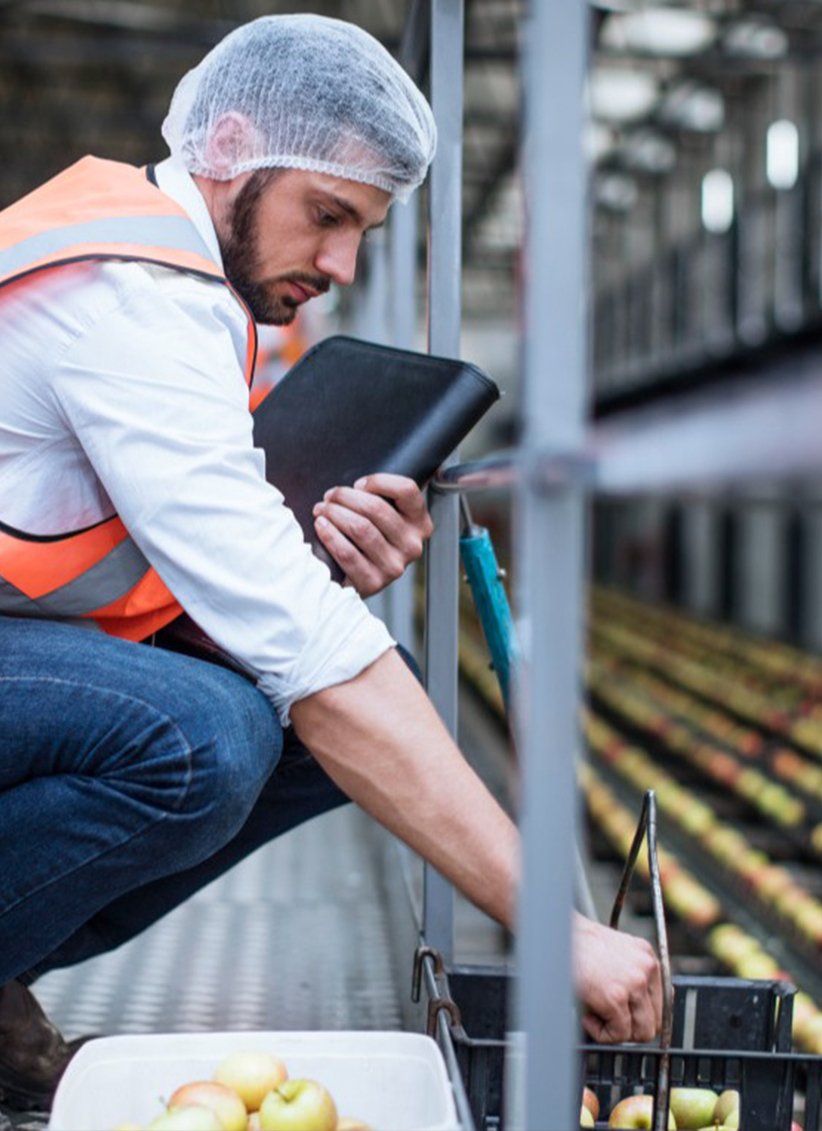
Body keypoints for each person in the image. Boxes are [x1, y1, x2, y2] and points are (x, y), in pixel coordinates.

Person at [0, 13, 662, 1110]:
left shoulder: (190, 296)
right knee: (206, 736)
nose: (344, 264)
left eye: (363, 229)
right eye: (329, 215)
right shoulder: (129, 295)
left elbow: (186, 588)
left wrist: (318, 565)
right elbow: (304, 651)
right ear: (232, 148)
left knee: (305, 733)